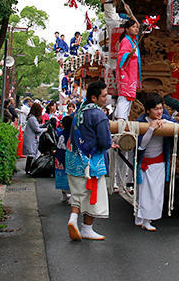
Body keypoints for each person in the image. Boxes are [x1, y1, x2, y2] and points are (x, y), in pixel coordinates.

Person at [65, 80, 113, 241]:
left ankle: (73, 219)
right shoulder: (99, 115)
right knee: (93, 196)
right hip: (92, 163)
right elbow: (105, 142)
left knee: (78, 195)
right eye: (104, 95)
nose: (106, 98)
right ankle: (87, 228)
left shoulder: (79, 111)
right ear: (94, 97)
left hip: (74, 159)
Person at [135, 93, 174, 232]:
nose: (159, 112)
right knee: (143, 192)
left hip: (159, 162)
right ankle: (142, 218)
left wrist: (165, 122)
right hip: (144, 162)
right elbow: (141, 145)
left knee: (156, 193)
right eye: (155, 109)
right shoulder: (141, 121)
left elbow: (176, 124)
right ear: (148, 110)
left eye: (160, 108)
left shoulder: (165, 119)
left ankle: (147, 219)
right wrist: (151, 129)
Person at [114, 19, 140, 122]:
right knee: (125, 96)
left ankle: (123, 118)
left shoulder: (133, 40)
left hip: (131, 74)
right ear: (126, 29)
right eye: (133, 27)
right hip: (126, 73)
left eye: (137, 27)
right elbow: (121, 56)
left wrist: (131, 14)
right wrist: (129, 54)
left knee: (129, 97)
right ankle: (120, 119)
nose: (136, 29)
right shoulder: (125, 41)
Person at [23, 102, 46, 174]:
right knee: (31, 155)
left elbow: (37, 126)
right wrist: (45, 129)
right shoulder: (32, 119)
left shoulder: (31, 118)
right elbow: (37, 129)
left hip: (31, 139)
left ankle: (28, 169)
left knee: (31, 155)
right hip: (31, 140)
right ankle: (28, 169)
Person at [55, 114, 72, 204]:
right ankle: (72, 196)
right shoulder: (73, 135)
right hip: (69, 157)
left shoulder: (60, 132)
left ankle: (64, 195)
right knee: (71, 177)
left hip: (59, 157)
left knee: (61, 176)